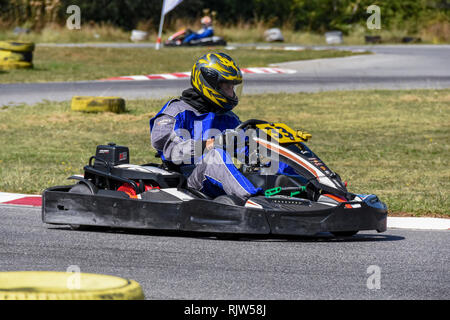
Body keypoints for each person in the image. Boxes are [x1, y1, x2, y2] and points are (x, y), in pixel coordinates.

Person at [150, 52, 263, 199]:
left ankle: (296, 193)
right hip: (187, 185)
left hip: (216, 183)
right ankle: (256, 202)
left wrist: (266, 145)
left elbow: (249, 150)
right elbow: (171, 151)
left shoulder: (227, 117)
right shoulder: (176, 111)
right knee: (215, 156)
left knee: (274, 154)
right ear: (210, 84)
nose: (231, 93)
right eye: (227, 86)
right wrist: (211, 144)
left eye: (233, 87)